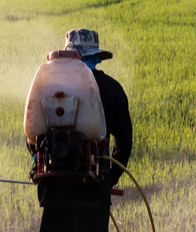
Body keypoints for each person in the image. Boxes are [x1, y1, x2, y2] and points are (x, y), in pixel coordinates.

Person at [37, 28, 134, 232]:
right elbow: (124, 144)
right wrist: (109, 179)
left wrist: (39, 164)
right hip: (94, 193)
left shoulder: (47, 86)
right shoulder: (111, 89)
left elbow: (33, 136)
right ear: (96, 57)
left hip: (54, 193)